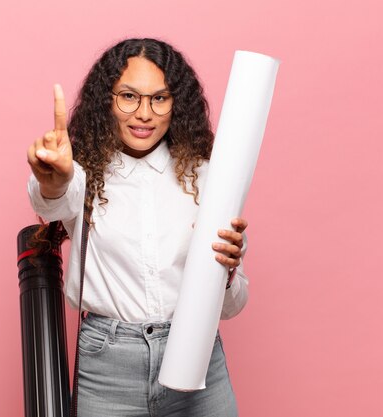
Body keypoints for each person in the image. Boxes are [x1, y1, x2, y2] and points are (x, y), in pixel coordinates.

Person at [27, 38, 249, 417]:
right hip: (108, 367)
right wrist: (52, 176)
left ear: (175, 104)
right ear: (107, 101)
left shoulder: (207, 177)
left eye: (159, 99)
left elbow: (233, 305)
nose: (144, 113)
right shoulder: (83, 174)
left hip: (197, 359)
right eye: (129, 96)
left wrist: (227, 275)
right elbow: (51, 198)